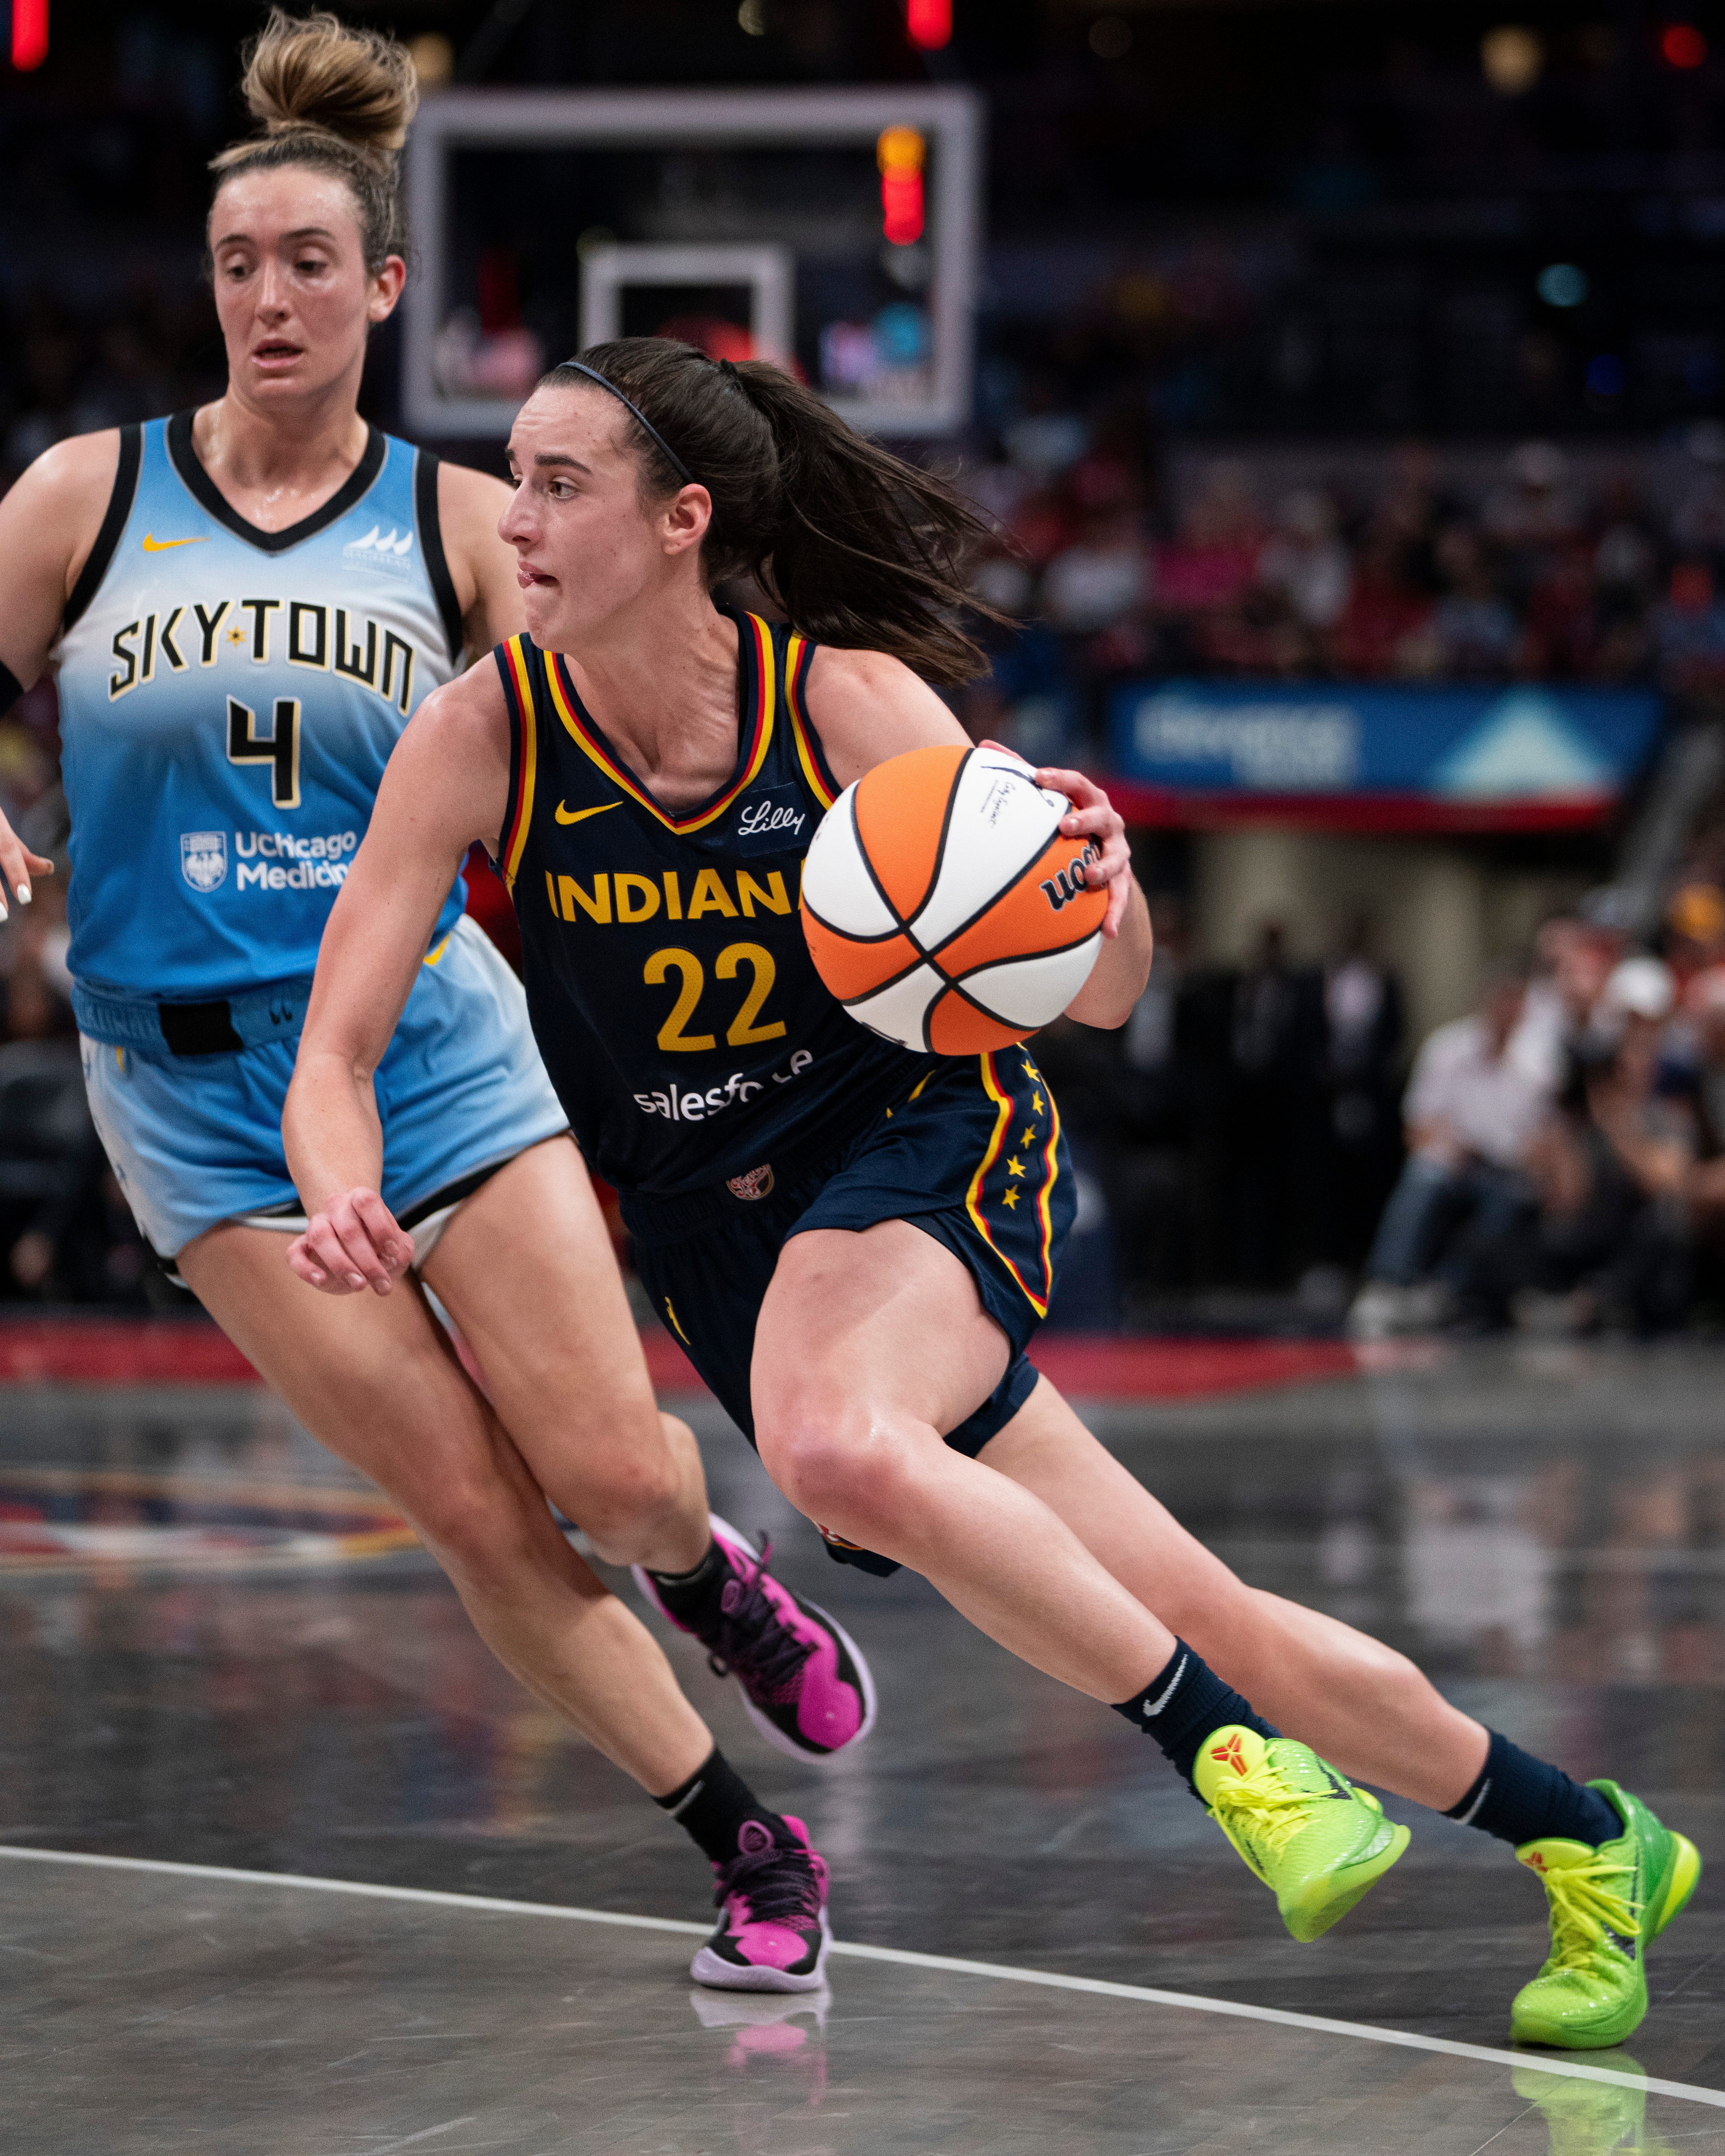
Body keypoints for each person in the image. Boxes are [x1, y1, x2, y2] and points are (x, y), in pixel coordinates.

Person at [285, 336, 1699, 2051]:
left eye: (561, 483)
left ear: (682, 521)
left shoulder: (845, 707)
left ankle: (1235, 1769)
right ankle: (1592, 1837)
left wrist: (1102, 900)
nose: (514, 521)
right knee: (1204, 1602)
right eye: (514, 478)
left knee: (825, 1446)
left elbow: (1094, 996)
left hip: (920, 1143)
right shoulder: (484, 732)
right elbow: (337, 1046)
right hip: (715, 1233)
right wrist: (343, 1188)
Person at [0, 12, 877, 1995]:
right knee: (468, 1499)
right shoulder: (82, 496)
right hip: (196, 1101)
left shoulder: (469, 523)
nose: (271, 296)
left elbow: (649, 710)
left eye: (312, 260)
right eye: (239, 263)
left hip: (436, 1041)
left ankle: (701, 1564)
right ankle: (744, 1838)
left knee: (615, 1466)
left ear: (387, 285)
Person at [1349, 964, 1549, 1336]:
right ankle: (1388, 1282)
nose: (1508, 1009)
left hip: (1503, 1170)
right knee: (1425, 1174)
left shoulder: (1535, 1064)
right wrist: (1449, 1147)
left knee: (1512, 1198)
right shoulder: (1446, 1048)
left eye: (1516, 1002)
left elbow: (1540, 1137)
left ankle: (1446, 1291)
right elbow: (1417, 1126)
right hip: (1451, 1160)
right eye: (1501, 999)